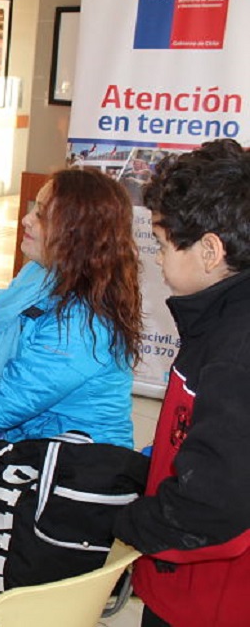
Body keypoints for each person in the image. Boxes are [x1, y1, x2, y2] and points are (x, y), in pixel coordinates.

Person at [0, 167, 142, 569]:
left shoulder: (80, 326)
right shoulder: (45, 277)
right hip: (32, 458)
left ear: (76, 234)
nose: (26, 219)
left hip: (62, 488)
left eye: (42, 214)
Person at [112, 139, 250, 627]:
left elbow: (214, 505)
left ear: (210, 251)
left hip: (206, 602)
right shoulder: (218, 318)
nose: (156, 258)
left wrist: (125, 523)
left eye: (164, 242)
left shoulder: (234, 352)